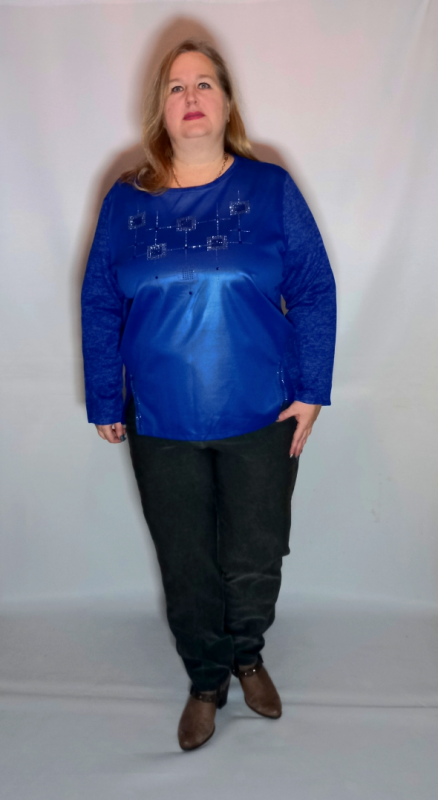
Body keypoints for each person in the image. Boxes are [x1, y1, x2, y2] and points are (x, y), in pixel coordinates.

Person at [81, 38, 336, 751]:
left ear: (226, 103)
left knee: (255, 551)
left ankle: (247, 655)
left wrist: (312, 389)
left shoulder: (270, 189)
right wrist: (104, 397)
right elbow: (100, 300)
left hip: (262, 411)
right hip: (160, 417)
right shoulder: (126, 201)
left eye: (204, 84)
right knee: (185, 557)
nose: (190, 97)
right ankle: (205, 679)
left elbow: (313, 290)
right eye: (175, 87)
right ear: (160, 109)